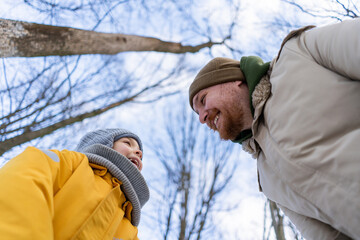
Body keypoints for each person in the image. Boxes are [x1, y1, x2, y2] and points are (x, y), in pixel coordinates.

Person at [189, 18, 359, 240]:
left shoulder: (300, 53)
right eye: (198, 114)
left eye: (203, 100)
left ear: (232, 80)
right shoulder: (267, 179)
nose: (202, 118)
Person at [0, 128, 149, 240]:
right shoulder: (68, 164)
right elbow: (21, 184)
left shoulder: (129, 226)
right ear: (106, 144)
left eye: (139, 152)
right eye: (127, 143)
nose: (138, 152)